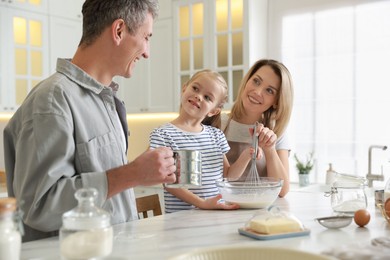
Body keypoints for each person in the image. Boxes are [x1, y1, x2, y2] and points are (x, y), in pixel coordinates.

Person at [3, 0, 176, 242]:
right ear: (118, 31)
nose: (147, 52)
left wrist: (137, 172)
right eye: (146, 37)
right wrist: (133, 174)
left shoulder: (108, 102)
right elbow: (39, 206)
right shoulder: (52, 100)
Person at [149, 69, 257, 213]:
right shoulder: (164, 134)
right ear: (184, 88)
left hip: (214, 218)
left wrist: (247, 156)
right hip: (181, 224)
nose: (198, 96)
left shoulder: (216, 136)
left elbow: (228, 176)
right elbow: (170, 182)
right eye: (195, 88)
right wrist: (202, 203)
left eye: (207, 97)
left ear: (214, 111)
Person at [220, 59, 294, 197]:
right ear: (247, 80)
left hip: (262, 215)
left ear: (277, 102)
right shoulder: (217, 125)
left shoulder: (276, 132)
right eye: (256, 81)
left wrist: (269, 148)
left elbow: (282, 191)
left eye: (269, 90)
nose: (257, 92)